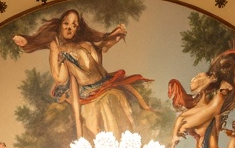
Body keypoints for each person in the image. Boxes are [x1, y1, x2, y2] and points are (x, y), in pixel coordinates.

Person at [13, 9, 152, 139]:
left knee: (120, 109)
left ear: (77, 28)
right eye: (66, 23)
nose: (69, 28)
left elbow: (101, 49)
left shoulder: (85, 44)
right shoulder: (58, 47)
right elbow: (59, 77)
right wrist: (28, 42)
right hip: (91, 94)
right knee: (107, 115)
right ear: (60, 25)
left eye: (74, 25)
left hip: (106, 84)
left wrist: (112, 36)